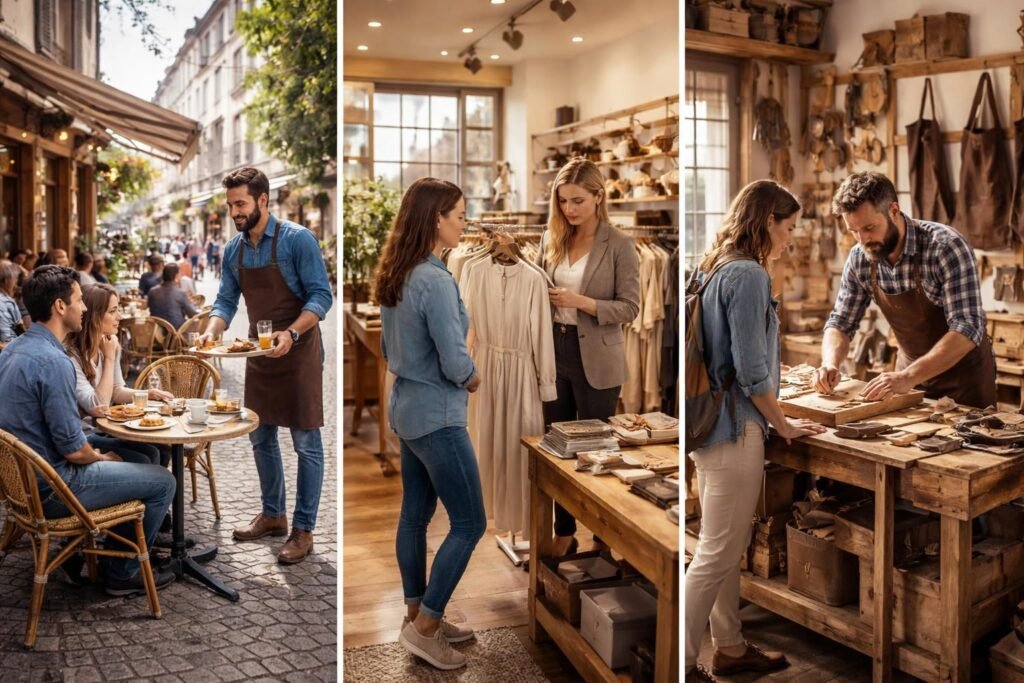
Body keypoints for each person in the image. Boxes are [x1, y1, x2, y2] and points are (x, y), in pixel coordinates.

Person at [685, 180, 826, 682]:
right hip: (734, 428)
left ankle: (729, 646)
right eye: (788, 228)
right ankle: (680, 662)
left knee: (721, 546)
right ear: (767, 221)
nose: (789, 239)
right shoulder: (747, 275)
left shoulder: (712, 265)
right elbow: (749, 369)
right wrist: (782, 421)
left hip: (709, 425)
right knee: (715, 553)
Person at [0, 265, 176, 595]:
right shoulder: (55, 362)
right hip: (54, 487)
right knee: (164, 481)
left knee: (143, 453)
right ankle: (121, 573)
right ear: (59, 306)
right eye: (80, 300)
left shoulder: (13, 350)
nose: (84, 307)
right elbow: (75, 451)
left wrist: (107, 454)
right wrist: (104, 457)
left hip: (22, 483)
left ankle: (96, 551)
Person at [376, 177, 486, 671]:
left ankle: (418, 613)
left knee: (415, 515)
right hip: (439, 416)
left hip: (407, 411)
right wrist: (473, 376)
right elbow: (453, 359)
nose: (464, 222)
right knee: (470, 522)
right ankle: (425, 629)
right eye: (459, 214)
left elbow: (388, 349)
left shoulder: (398, 271)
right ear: (436, 218)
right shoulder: (437, 279)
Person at [198, 167, 332, 564]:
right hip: (258, 351)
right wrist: (211, 330)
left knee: (306, 443)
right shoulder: (234, 250)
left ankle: (303, 529)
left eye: (240, 204)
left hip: (300, 350)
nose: (234, 212)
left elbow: (321, 297)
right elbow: (225, 301)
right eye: (230, 206)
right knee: (260, 437)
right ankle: (273, 515)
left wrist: (291, 333)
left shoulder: (298, 240)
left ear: (262, 200)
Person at [811, 172, 996, 408]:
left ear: (894, 211)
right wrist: (830, 363)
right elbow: (841, 321)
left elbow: (968, 327)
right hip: (907, 380)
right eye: (853, 231)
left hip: (964, 382)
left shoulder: (945, 247)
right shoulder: (860, 258)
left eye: (869, 227)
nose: (862, 240)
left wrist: (908, 376)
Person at [535, 157, 640, 558]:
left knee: (598, 448)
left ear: (599, 197)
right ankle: (564, 531)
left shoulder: (620, 245)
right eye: (563, 201)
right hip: (554, 350)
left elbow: (630, 308)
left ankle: (602, 530)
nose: (569, 209)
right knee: (559, 447)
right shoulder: (552, 240)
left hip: (598, 357)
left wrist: (583, 302)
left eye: (578, 200)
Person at [66, 283, 172, 465]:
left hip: (106, 428)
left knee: (161, 449)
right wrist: (108, 358)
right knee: (149, 456)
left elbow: (116, 390)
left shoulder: (109, 344)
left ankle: (151, 490)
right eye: (113, 311)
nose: (120, 317)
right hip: (85, 435)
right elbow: (99, 405)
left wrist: (148, 394)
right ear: (95, 316)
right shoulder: (71, 356)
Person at [147, 262, 198, 329]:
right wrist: (190, 303)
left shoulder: (152, 291)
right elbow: (192, 314)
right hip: (175, 332)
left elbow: (151, 306)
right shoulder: (180, 293)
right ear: (176, 276)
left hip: (157, 331)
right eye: (179, 274)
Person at [0, 259, 24, 342]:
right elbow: (6, 339)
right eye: (15, 278)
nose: (16, 284)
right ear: (7, 280)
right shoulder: (5, 303)